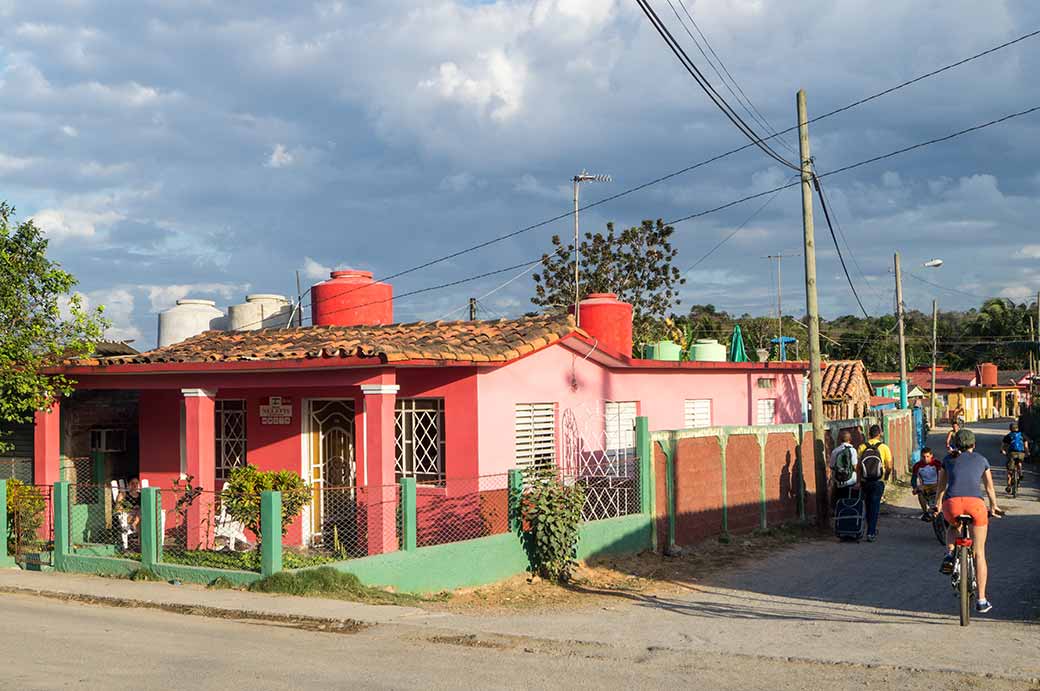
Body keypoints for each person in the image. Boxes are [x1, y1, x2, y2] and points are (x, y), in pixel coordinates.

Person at [937, 429, 1004, 614]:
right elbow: (989, 487)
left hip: (952, 504)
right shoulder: (982, 460)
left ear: (955, 444)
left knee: (953, 525)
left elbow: (941, 486)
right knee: (980, 552)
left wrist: (937, 505)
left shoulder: (947, 459)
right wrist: (994, 506)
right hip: (975, 505)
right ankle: (981, 599)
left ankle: (950, 554)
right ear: (974, 445)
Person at [857, 425, 892, 542]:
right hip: (878, 481)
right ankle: (871, 532)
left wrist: (858, 481)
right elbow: (889, 466)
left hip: (865, 481)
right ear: (880, 434)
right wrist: (886, 477)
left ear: (869, 434)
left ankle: (869, 528)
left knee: (867, 504)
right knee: (875, 505)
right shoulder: (884, 447)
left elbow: (858, 467)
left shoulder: (862, 447)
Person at [828, 430, 859, 507]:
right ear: (850, 439)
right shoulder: (853, 450)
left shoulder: (835, 451)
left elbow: (831, 466)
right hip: (851, 480)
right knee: (852, 502)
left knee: (841, 502)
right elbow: (855, 466)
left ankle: (841, 516)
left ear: (840, 440)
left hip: (839, 481)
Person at [911, 447, 942, 520]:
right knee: (920, 493)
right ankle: (925, 513)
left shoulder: (937, 463)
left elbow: (942, 476)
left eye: (927, 456)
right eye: (923, 457)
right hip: (925, 486)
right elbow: (913, 479)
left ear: (931, 455)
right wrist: (915, 487)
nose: (925, 459)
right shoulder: (917, 465)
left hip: (936, 484)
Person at [1001, 422, 1029, 494]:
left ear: (1010, 428)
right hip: (1021, 453)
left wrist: (1003, 451)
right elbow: (1026, 446)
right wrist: (1027, 452)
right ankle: (1020, 473)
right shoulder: (1022, 435)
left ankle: (1009, 486)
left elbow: (1003, 446)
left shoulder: (1008, 436)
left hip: (1012, 454)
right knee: (1019, 461)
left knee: (1009, 471)